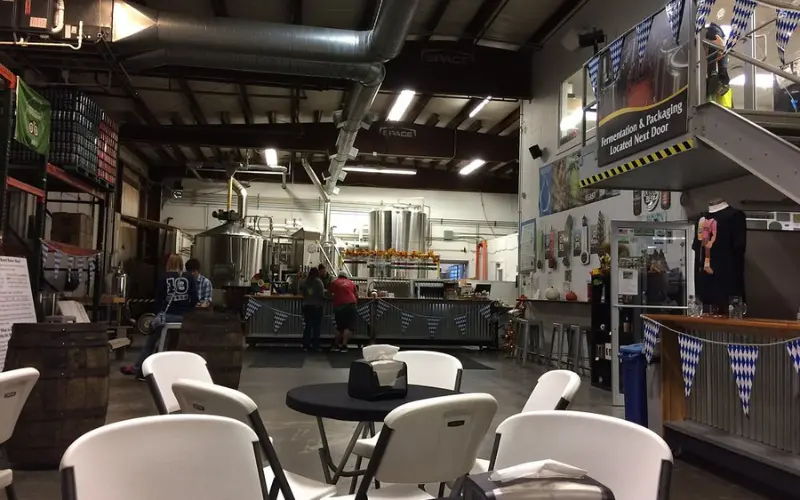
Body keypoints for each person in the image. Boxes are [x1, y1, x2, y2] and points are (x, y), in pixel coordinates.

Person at [121, 254, 198, 379]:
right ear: (181, 264)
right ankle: (173, 373)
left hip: (167, 317)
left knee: (150, 343)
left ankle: (140, 370)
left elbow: (158, 302)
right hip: (183, 318)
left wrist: (158, 315)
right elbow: (194, 299)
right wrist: (186, 311)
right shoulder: (189, 277)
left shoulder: (163, 278)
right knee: (175, 345)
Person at [327, 270, 357, 352]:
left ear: (338, 276)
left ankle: (336, 345)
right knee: (348, 326)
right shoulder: (351, 282)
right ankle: (344, 346)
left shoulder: (335, 282)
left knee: (340, 327)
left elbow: (328, 293)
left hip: (340, 305)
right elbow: (356, 294)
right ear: (346, 276)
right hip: (352, 304)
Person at [706, 22, 732, 108]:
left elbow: (718, 41)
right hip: (723, 106)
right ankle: (721, 76)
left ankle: (713, 73)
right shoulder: (716, 32)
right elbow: (719, 41)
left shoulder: (712, 30)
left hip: (716, 105)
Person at [299, 267, 325, 351]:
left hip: (307, 306)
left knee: (308, 326)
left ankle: (305, 345)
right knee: (316, 327)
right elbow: (322, 295)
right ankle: (315, 345)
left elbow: (302, 293)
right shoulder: (319, 282)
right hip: (317, 306)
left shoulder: (305, 281)